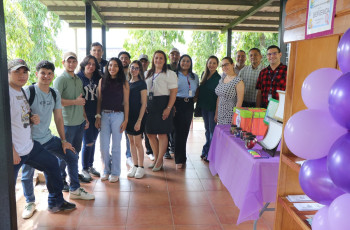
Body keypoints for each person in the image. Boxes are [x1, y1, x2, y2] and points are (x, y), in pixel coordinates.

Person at [21, 60, 95, 219]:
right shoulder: (28, 91)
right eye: (43, 73)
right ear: (36, 74)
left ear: (52, 75)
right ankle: (29, 201)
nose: (46, 76)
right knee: (28, 172)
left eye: (49, 73)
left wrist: (63, 141)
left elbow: (59, 118)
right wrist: (29, 117)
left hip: (47, 138)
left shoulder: (54, 93)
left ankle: (73, 190)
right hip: (30, 142)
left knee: (71, 155)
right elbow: (18, 115)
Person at [8, 59, 76, 215]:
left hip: (30, 146)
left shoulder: (20, 92)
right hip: (15, 152)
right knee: (7, 190)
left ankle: (56, 202)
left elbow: (21, 117)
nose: (21, 75)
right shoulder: (9, 94)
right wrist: (11, 150)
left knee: (53, 164)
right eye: (16, 71)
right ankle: (23, 207)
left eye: (24, 71)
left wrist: (32, 119)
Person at [53, 52, 91, 188]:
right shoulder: (60, 79)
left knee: (76, 152)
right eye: (68, 61)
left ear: (76, 63)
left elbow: (81, 101)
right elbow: (56, 101)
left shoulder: (78, 79)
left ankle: (73, 174)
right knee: (65, 153)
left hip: (79, 122)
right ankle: (61, 179)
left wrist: (85, 117)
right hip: (67, 123)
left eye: (73, 61)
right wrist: (75, 102)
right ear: (63, 63)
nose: (71, 64)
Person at [95, 57, 129, 183]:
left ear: (119, 68)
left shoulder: (124, 83)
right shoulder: (101, 81)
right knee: (103, 146)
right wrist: (98, 116)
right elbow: (99, 100)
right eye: (110, 65)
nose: (112, 68)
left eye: (115, 66)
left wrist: (126, 120)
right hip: (104, 115)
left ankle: (115, 172)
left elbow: (126, 103)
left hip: (118, 115)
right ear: (107, 67)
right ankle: (105, 170)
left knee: (116, 146)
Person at [145, 50, 178, 171]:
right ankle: (157, 157)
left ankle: (159, 161)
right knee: (150, 133)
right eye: (156, 58)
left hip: (163, 104)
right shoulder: (147, 73)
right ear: (153, 60)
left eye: (161, 58)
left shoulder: (170, 74)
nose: (158, 60)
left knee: (162, 133)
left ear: (165, 61)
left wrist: (168, 108)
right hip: (150, 104)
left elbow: (174, 92)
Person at [77, 55, 102, 180]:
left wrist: (98, 116)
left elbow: (100, 98)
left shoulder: (98, 78)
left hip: (95, 114)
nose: (91, 66)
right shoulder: (78, 78)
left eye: (93, 64)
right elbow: (80, 99)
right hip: (84, 114)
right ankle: (84, 168)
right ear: (84, 64)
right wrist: (84, 117)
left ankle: (91, 165)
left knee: (93, 141)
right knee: (87, 142)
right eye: (89, 63)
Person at [174, 55, 199, 169]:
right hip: (177, 104)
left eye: (188, 61)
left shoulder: (195, 76)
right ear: (179, 62)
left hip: (189, 104)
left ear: (191, 63)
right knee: (178, 132)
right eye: (183, 61)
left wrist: (192, 100)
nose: (185, 63)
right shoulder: (174, 75)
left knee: (185, 131)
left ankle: (182, 156)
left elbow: (197, 90)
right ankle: (178, 159)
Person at [196, 56, 221, 162]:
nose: (211, 65)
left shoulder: (219, 78)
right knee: (207, 130)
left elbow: (218, 97)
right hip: (204, 107)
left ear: (217, 65)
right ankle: (206, 151)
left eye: (214, 63)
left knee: (212, 131)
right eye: (210, 63)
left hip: (212, 108)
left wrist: (216, 112)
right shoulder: (204, 75)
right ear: (207, 64)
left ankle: (209, 153)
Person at [126, 61, 147, 179]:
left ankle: (141, 167)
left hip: (138, 117)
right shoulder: (128, 83)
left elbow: (144, 103)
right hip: (128, 117)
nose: (134, 70)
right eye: (132, 68)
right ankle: (135, 165)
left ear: (140, 70)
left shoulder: (142, 84)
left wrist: (139, 120)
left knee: (138, 142)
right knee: (131, 142)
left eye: (137, 68)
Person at [215, 57, 244, 125]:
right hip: (220, 114)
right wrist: (216, 113)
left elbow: (239, 102)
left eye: (226, 64)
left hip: (230, 116)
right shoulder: (222, 79)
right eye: (222, 65)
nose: (224, 67)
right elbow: (219, 97)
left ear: (232, 64)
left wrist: (234, 118)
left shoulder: (238, 81)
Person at [118, 51, 133, 167]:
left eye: (126, 58)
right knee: (116, 133)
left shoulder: (133, 73)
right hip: (116, 108)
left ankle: (129, 155)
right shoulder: (114, 73)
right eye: (121, 58)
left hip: (130, 106)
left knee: (128, 133)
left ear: (129, 60)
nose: (124, 60)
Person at [165, 47, 180, 159]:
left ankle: (174, 147)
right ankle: (166, 150)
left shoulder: (182, 68)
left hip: (179, 101)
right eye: (172, 54)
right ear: (169, 56)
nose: (174, 56)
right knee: (166, 126)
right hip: (167, 101)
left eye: (176, 54)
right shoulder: (166, 69)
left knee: (176, 127)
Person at [139, 54, 154, 161]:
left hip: (147, 105)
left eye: (145, 61)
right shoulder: (134, 73)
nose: (143, 63)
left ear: (148, 63)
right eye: (141, 61)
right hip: (136, 106)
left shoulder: (151, 74)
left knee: (148, 130)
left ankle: (149, 151)